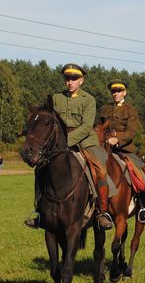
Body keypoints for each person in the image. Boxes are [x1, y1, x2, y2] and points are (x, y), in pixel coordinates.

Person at [25, 63, 115, 230]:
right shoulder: (56, 98)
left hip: (86, 142)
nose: (70, 82)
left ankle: (101, 212)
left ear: (81, 80)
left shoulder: (89, 100)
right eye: (67, 78)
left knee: (100, 170)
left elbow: (87, 127)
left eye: (74, 78)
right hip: (59, 144)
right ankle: (40, 211)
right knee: (40, 168)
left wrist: (67, 141)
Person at [99, 79, 145, 224]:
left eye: (119, 91)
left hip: (125, 150)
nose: (116, 94)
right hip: (106, 149)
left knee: (139, 172)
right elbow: (99, 127)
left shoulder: (130, 110)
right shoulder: (105, 109)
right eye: (113, 91)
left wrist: (117, 138)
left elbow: (131, 132)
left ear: (124, 92)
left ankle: (142, 207)